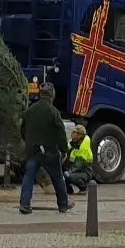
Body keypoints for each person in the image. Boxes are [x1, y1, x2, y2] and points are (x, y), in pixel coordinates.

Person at [19, 85, 72, 215]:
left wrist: (29, 143)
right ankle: (63, 205)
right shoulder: (53, 112)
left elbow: (22, 130)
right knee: (57, 177)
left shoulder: (30, 110)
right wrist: (64, 150)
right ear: (52, 95)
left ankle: (25, 204)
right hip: (49, 152)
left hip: (33, 151)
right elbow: (61, 133)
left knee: (29, 176)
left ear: (40, 94)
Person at [64, 125, 94, 194]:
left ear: (81, 135)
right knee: (63, 174)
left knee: (68, 176)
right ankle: (69, 190)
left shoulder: (84, 147)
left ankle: (83, 188)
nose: (74, 134)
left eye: (77, 133)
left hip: (85, 173)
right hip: (76, 170)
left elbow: (77, 165)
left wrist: (67, 173)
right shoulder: (73, 142)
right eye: (74, 132)